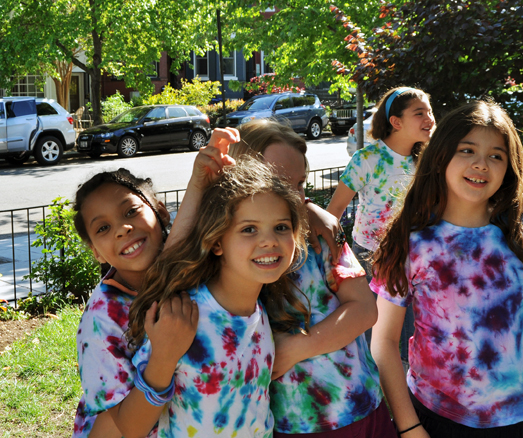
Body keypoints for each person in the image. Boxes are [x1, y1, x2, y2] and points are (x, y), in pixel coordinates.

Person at [370, 100, 523, 438]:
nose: (481, 164)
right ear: (441, 156)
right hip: (434, 418)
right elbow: (384, 342)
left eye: (496, 155)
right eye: (467, 150)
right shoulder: (411, 241)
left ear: (509, 167)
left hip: (522, 420)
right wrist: (409, 428)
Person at [230, 119, 398, 437]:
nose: (293, 197)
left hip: (364, 411)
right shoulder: (226, 250)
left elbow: (364, 309)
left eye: (301, 184)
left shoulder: (320, 238)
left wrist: (294, 349)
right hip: (289, 424)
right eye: (279, 183)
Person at [123, 157, 310, 438]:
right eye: (249, 229)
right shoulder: (184, 314)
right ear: (216, 242)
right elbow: (131, 427)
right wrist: (163, 357)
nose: (270, 240)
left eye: (281, 227)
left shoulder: (260, 312)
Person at [71, 134, 235, 438]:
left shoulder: (191, 263)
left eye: (131, 211)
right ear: (95, 251)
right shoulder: (101, 321)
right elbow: (128, 427)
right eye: (103, 228)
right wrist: (163, 356)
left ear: (160, 212)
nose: (122, 229)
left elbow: (179, 245)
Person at [326, 87, 435, 360]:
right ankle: (373, 386)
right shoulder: (366, 160)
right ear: (396, 122)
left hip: (414, 257)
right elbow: (333, 212)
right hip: (370, 256)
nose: (430, 118)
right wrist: (338, 255)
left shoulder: (428, 162)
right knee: (371, 329)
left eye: (430, 111)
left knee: (409, 331)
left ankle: (407, 382)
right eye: (419, 113)